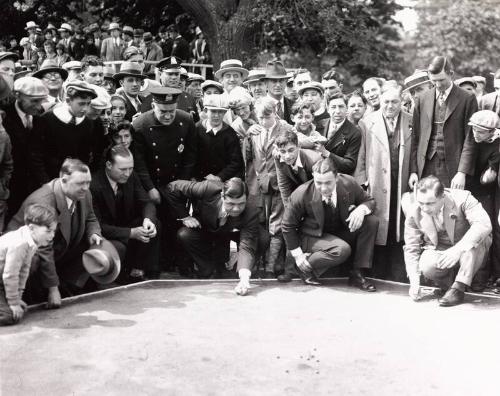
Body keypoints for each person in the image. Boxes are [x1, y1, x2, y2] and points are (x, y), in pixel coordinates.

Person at [7, 159, 103, 306]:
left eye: (88, 182)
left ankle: (67, 288)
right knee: (34, 259)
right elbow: (44, 250)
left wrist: (94, 234)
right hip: (24, 255)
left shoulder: (84, 193)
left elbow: (90, 217)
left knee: (95, 247)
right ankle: (26, 297)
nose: (86, 187)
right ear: (64, 180)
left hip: (59, 247)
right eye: (80, 183)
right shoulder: (43, 201)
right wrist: (53, 289)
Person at [282, 157, 378, 290]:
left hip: (338, 231)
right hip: (312, 236)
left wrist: (361, 209)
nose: (323, 188)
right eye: (319, 183)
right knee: (342, 250)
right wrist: (298, 257)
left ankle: (358, 273)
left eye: (328, 183)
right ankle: (304, 269)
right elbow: (287, 226)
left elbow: (370, 201)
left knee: (371, 221)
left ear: (337, 178)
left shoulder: (349, 183)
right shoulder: (301, 193)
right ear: (313, 177)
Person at [132, 87, 197, 273]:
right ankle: (157, 265)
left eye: (172, 111)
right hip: (153, 183)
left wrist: (182, 184)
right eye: (163, 111)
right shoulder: (141, 125)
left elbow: (190, 155)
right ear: (153, 106)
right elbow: (140, 162)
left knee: (176, 222)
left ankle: (178, 262)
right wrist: (150, 188)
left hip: (177, 182)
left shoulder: (186, 120)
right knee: (156, 222)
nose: (168, 116)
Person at [402, 176, 492, 307]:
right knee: (426, 264)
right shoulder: (415, 209)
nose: (424, 208)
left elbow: (484, 224)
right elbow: (411, 247)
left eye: (430, 203)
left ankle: (459, 288)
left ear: (443, 197)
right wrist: (414, 281)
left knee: (473, 243)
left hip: (468, 247)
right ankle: (449, 286)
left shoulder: (463, 198)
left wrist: (457, 250)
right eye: (421, 203)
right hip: (441, 248)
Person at [355, 86, 412, 281]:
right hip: (377, 180)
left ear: (401, 102)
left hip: (401, 181)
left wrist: (413, 173)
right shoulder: (367, 122)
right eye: (386, 102)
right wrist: (361, 180)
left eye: (394, 102)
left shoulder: (411, 120)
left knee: (399, 223)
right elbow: (361, 154)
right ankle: (378, 269)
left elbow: (415, 153)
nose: (389, 106)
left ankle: (397, 270)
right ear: (380, 101)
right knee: (379, 223)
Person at [167, 177, 259, 295]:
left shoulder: (251, 210)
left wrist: (244, 278)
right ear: (222, 196)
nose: (236, 209)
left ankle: (238, 271)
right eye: (231, 204)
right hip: (204, 227)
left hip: (229, 233)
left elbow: (247, 245)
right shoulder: (208, 188)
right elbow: (172, 187)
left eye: (241, 204)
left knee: (262, 238)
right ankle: (207, 270)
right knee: (184, 234)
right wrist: (184, 216)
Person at [90, 145, 159, 282]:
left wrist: (148, 219)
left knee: (154, 224)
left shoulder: (131, 176)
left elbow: (146, 202)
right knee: (120, 246)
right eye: (122, 169)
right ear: (109, 165)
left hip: (126, 226)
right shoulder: (94, 185)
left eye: (131, 168)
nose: (127, 173)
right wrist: (130, 232)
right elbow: (97, 225)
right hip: (106, 235)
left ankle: (138, 270)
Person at [409, 56, 478, 189]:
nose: (438, 85)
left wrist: (462, 172)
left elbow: (470, 139)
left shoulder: (467, 98)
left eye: (441, 80)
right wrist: (413, 171)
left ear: (451, 74)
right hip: (425, 166)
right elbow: (415, 137)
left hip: (454, 169)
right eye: (434, 81)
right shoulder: (422, 98)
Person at [246, 97, 293, 277]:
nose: (264, 121)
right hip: (260, 187)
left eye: (267, 117)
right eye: (260, 118)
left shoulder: (285, 128)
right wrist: (248, 133)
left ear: (275, 113)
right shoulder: (255, 131)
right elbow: (250, 156)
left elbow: (299, 143)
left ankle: (271, 267)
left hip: (280, 184)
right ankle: (260, 264)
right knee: (262, 224)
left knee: (277, 226)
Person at [30, 80, 104, 186]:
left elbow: (86, 155)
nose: (85, 109)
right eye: (81, 104)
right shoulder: (46, 120)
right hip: (50, 181)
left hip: (74, 182)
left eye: (88, 104)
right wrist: (45, 182)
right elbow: (36, 155)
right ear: (68, 101)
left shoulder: (88, 123)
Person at [0, 204, 57, 325]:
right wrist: (13, 303)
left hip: (3, 280)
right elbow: (10, 274)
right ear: (31, 228)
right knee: (9, 317)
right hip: (4, 278)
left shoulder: (32, 241)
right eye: (48, 231)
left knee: (18, 312)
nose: (52, 236)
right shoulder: (19, 244)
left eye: (53, 231)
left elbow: (23, 271)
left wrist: (18, 298)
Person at [464, 110, 500, 291]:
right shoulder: (472, 139)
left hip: (486, 194)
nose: (475, 134)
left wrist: (487, 174)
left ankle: (482, 277)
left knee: (484, 232)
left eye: (480, 131)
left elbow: (489, 178)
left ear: (491, 132)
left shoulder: (497, 145)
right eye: (474, 130)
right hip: (468, 188)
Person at [3, 77, 47, 220]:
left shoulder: (42, 117)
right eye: (34, 101)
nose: (39, 105)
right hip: (10, 189)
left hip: (34, 188)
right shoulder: (4, 117)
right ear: (17, 95)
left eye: (41, 100)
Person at [194, 94, 244, 182]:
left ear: (225, 113)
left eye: (220, 112)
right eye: (213, 111)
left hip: (222, 180)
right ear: (205, 111)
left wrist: (220, 177)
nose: (216, 116)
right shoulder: (196, 129)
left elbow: (235, 162)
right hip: (198, 179)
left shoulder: (230, 133)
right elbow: (190, 156)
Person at [315, 93, 361, 175]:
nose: (337, 111)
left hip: (337, 176)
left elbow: (350, 164)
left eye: (341, 107)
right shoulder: (319, 125)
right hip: (316, 172)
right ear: (328, 109)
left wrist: (326, 153)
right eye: (333, 107)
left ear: (347, 109)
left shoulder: (354, 132)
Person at [275, 129, 321, 208]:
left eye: (291, 150)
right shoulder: (278, 158)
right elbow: (284, 185)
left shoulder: (314, 160)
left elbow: (321, 189)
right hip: (297, 196)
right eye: (283, 151)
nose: (287, 156)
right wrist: (289, 209)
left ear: (299, 146)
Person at [264, 60, 293, 125]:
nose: (278, 85)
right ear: (266, 83)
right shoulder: (258, 107)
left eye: (281, 81)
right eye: (274, 81)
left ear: (286, 82)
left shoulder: (294, 105)